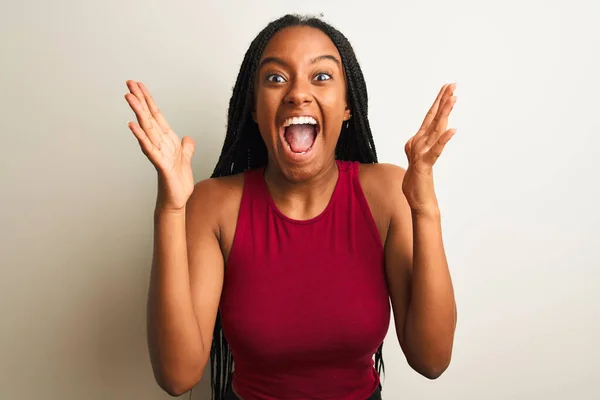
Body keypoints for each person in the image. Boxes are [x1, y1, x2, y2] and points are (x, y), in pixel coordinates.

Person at [124, 13, 457, 400]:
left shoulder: (385, 193)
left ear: (347, 106)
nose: (298, 93)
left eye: (321, 76)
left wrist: (425, 210)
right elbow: (177, 376)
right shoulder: (214, 205)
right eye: (276, 78)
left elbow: (431, 359)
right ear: (253, 109)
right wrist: (170, 210)